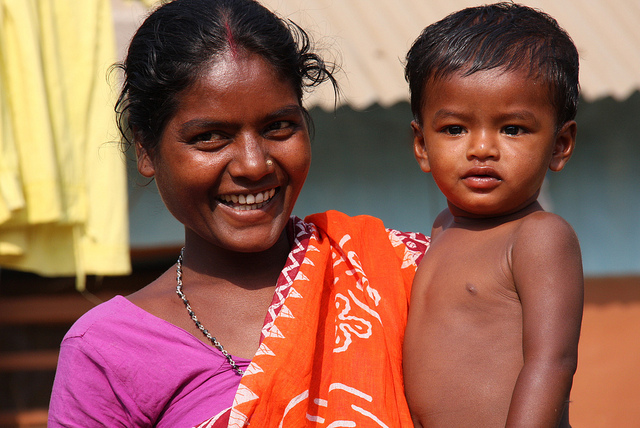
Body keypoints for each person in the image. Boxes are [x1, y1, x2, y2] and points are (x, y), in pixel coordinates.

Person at [48, 0, 429, 426]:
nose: (253, 165)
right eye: (210, 137)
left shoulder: (398, 277)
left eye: (278, 127)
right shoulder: (107, 351)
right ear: (145, 148)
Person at [403, 3, 584, 427]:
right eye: (454, 129)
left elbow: (552, 363)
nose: (482, 148)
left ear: (560, 144)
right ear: (422, 146)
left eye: (512, 129)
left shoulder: (539, 236)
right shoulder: (441, 229)